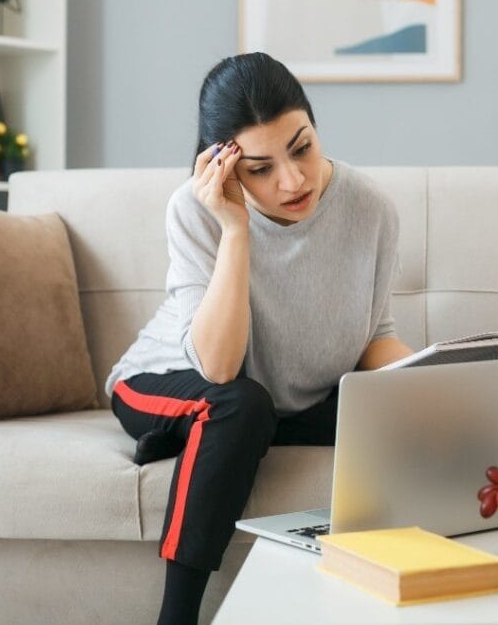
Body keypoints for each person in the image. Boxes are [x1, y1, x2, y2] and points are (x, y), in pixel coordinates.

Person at [104, 52, 413, 625]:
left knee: (369, 408)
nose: (292, 181)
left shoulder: (371, 208)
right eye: (260, 168)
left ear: (314, 126)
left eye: (302, 148)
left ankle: (201, 441)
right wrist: (234, 226)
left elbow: (375, 337)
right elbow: (219, 368)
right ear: (225, 167)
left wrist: (435, 376)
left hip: (274, 399)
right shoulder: (194, 210)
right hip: (166, 378)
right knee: (241, 405)